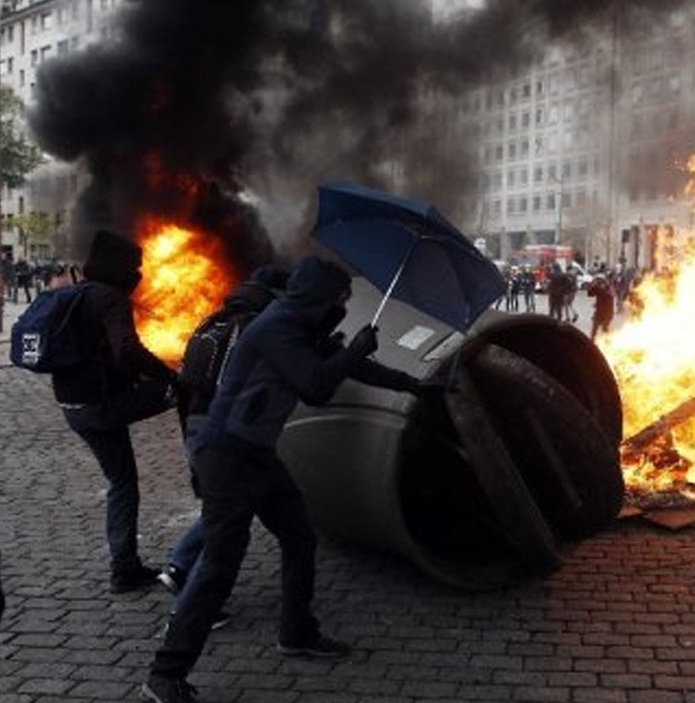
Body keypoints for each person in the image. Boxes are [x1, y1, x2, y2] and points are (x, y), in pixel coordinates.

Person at [143, 257, 425, 703]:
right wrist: (356, 348)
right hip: (226, 455)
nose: (342, 306)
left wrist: (417, 385)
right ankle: (165, 673)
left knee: (298, 537)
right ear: (316, 296)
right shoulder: (274, 327)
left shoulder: (302, 328)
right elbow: (315, 384)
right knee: (220, 563)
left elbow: (351, 368)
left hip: (257, 454)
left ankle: (296, 631)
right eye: (338, 299)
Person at [159, 265, 290, 624]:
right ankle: (191, 607)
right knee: (228, 520)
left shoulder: (210, 323)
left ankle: (179, 565)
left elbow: (185, 383)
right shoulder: (257, 331)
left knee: (222, 510)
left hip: (196, 426)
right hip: (226, 435)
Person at [53, 230, 179, 593]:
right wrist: (169, 376)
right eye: (134, 268)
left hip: (74, 406)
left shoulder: (75, 294)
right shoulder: (110, 298)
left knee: (122, 483)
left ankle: (125, 568)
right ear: (119, 268)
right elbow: (126, 348)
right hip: (100, 407)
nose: (138, 275)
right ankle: (207, 471)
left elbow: (103, 353)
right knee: (186, 390)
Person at [587, 275, 614, 340]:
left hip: (607, 313)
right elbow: (590, 294)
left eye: (601, 281)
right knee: (594, 328)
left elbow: (608, 296)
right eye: (598, 282)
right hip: (599, 312)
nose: (600, 284)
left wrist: (600, 288)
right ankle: (591, 341)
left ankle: (608, 342)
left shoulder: (608, 289)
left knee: (604, 328)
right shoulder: (598, 288)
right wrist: (592, 286)